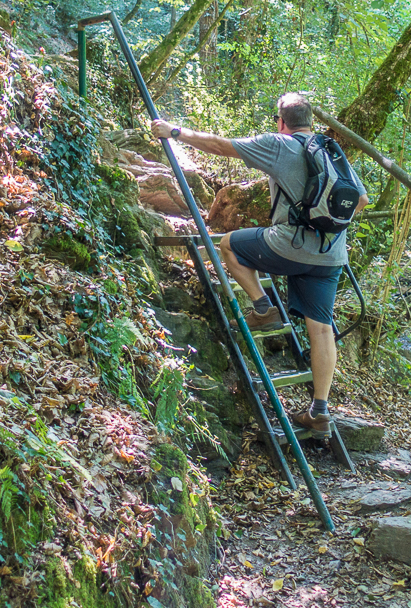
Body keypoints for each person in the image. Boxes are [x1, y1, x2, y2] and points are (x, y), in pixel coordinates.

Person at [151, 93, 368, 436]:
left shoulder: (279, 144)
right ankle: (320, 411)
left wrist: (174, 132)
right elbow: (361, 200)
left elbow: (221, 146)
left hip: (290, 245)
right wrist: (321, 221)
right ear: (310, 120)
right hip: (331, 254)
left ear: (281, 122)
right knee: (322, 329)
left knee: (228, 245)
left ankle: (263, 308)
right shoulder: (330, 148)